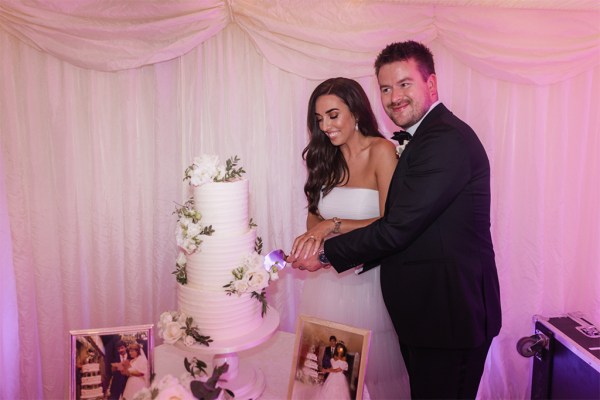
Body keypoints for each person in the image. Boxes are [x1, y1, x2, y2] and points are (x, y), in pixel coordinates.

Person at [289, 41, 502, 399]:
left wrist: (326, 253)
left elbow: (397, 227)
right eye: (386, 88)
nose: (394, 97)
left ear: (431, 84)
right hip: (426, 315)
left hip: (450, 317)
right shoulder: (422, 140)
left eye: (405, 84)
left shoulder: (445, 140)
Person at [290, 77, 407, 397]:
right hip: (325, 280)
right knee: (324, 370)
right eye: (318, 119)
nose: (325, 126)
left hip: (369, 279)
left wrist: (332, 226)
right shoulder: (324, 157)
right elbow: (314, 214)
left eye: (332, 114)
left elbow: (392, 220)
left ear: (355, 113)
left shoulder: (381, 151)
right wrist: (311, 239)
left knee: (373, 371)